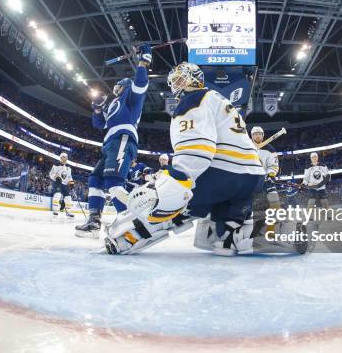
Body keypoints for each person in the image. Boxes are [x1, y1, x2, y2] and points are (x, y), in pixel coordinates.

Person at [104, 62, 266, 256]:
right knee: (221, 233)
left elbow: (196, 154)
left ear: (195, 78)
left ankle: (127, 237)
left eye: (181, 79)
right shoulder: (216, 98)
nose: (176, 84)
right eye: (175, 81)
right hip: (253, 177)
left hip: (224, 175)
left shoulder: (193, 100)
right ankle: (244, 233)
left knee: (170, 201)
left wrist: (172, 183)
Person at [75, 43, 152, 238]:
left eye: (118, 85)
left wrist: (143, 62)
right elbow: (99, 125)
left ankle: (135, 221)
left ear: (125, 86)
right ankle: (94, 221)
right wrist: (98, 109)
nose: (114, 88)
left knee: (113, 182)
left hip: (122, 139)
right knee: (96, 179)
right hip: (110, 143)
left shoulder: (130, 97)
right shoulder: (113, 104)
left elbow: (141, 84)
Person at [250, 126, 281, 209]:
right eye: (255, 134)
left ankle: (276, 214)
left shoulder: (270, 149)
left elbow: (273, 165)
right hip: (250, 179)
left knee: (272, 192)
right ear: (252, 136)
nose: (257, 136)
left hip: (265, 178)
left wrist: (270, 174)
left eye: (259, 134)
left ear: (263, 135)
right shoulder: (246, 148)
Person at [49, 152, 74, 218]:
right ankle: (55, 211)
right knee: (57, 195)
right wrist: (56, 177)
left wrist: (71, 182)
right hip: (58, 183)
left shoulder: (69, 167)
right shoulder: (56, 164)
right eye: (63, 157)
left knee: (68, 198)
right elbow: (51, 174)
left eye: (66, 157)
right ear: (60, 157)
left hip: (65, 184)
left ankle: (69, 212)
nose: (64, 158)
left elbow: (69, 176)